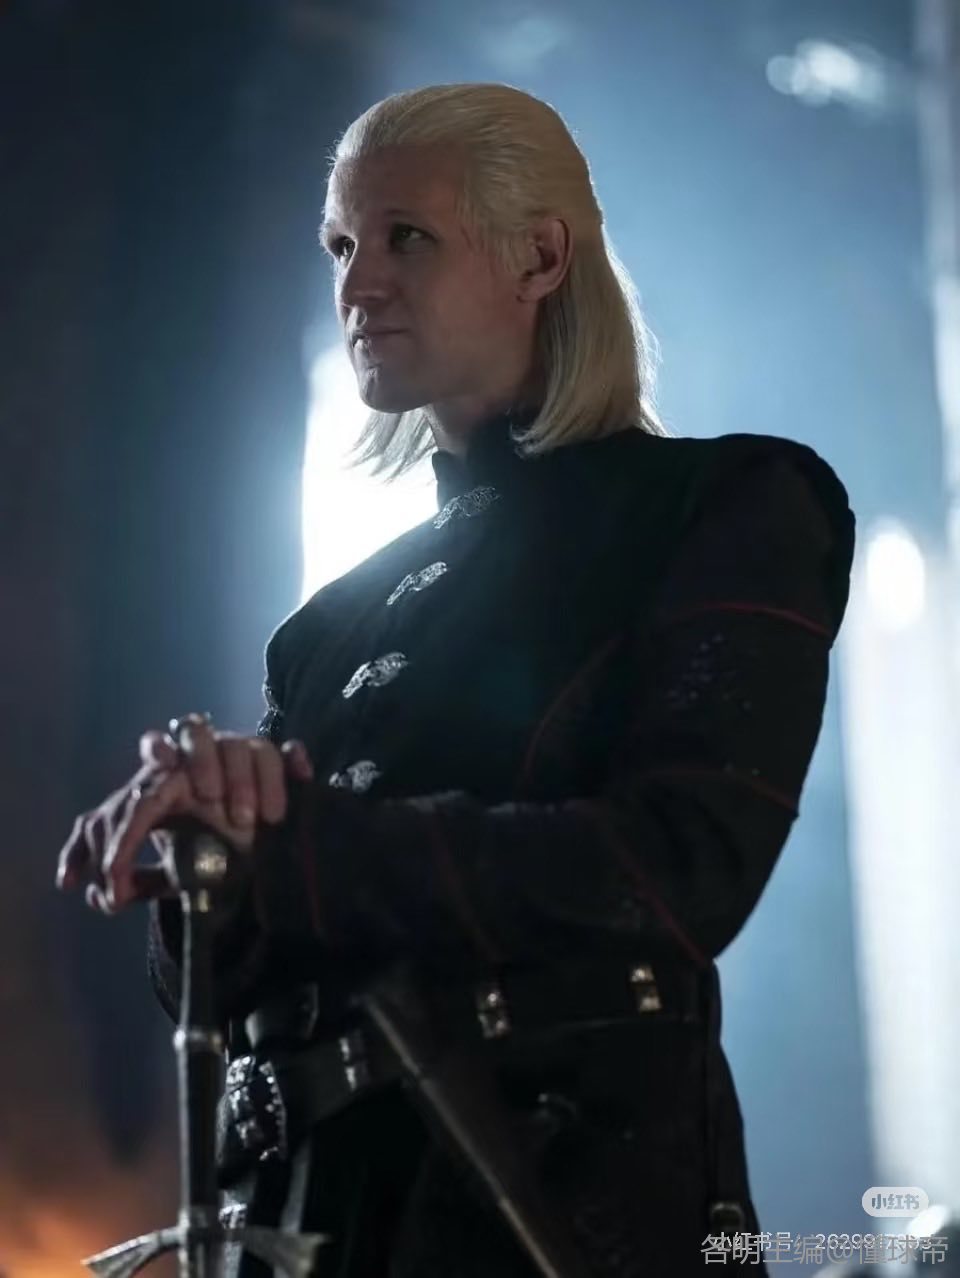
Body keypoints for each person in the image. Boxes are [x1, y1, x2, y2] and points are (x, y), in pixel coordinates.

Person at [56, 83, 856, 1277]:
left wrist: (306, 844)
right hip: (312, 1228)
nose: (357, 284)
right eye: (341, 245)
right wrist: (208, 845)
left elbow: (678, 868)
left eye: (406, 237)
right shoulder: (323, 630)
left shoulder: (727, 505)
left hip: (560, 1220)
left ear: (540, 257)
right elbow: (217, 993)